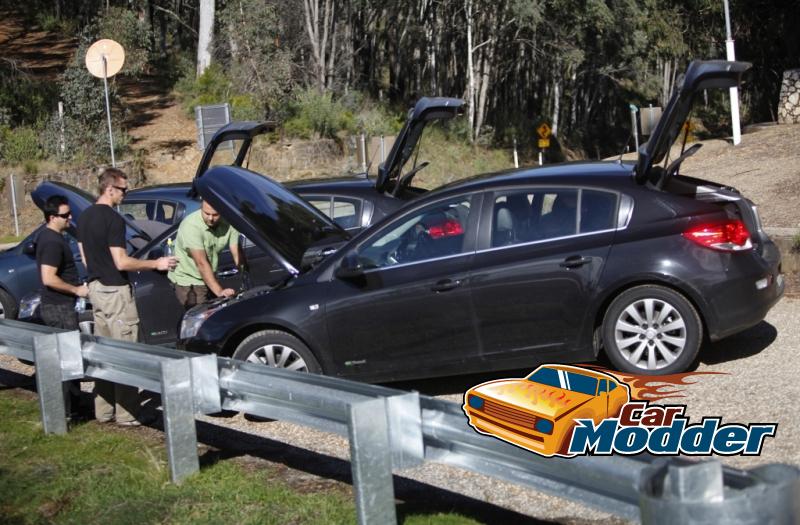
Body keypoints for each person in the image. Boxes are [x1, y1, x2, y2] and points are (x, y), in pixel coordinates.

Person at [77, 168, 177, 426]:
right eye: (123, 189)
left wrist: (97, 273)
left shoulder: (85, 216)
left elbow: (85, 256)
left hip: (96, 290)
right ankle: (127, 414)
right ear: (109, 189)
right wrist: (157, 264)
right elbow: (121, 262)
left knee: (103, 351)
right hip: (115, 292)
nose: (126, 193)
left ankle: (104, 411)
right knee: (126, 351)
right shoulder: (113, 219)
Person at [35, 194, 90, 419]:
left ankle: (72, 408)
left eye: (70, 214)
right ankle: (67, 412)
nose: (70, 218)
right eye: (65, 215)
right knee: (67, 360)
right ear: (51, 217)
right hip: (58, 309)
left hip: (61, 306)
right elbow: (48, 278)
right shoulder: (51, 241)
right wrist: (77, 290)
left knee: (68, 358)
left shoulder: (55, 237)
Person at [168, 200, 240, 309]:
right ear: (201, 208)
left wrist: (244, 274)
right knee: (201, 318)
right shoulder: (191, 226)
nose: (211, 218)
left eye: (215, 215)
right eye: (207, 213)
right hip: (189, 280)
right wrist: (220, 291)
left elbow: (237, 252)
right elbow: (201, 263)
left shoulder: (229, 222)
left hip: (210, 275)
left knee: (218, 312)